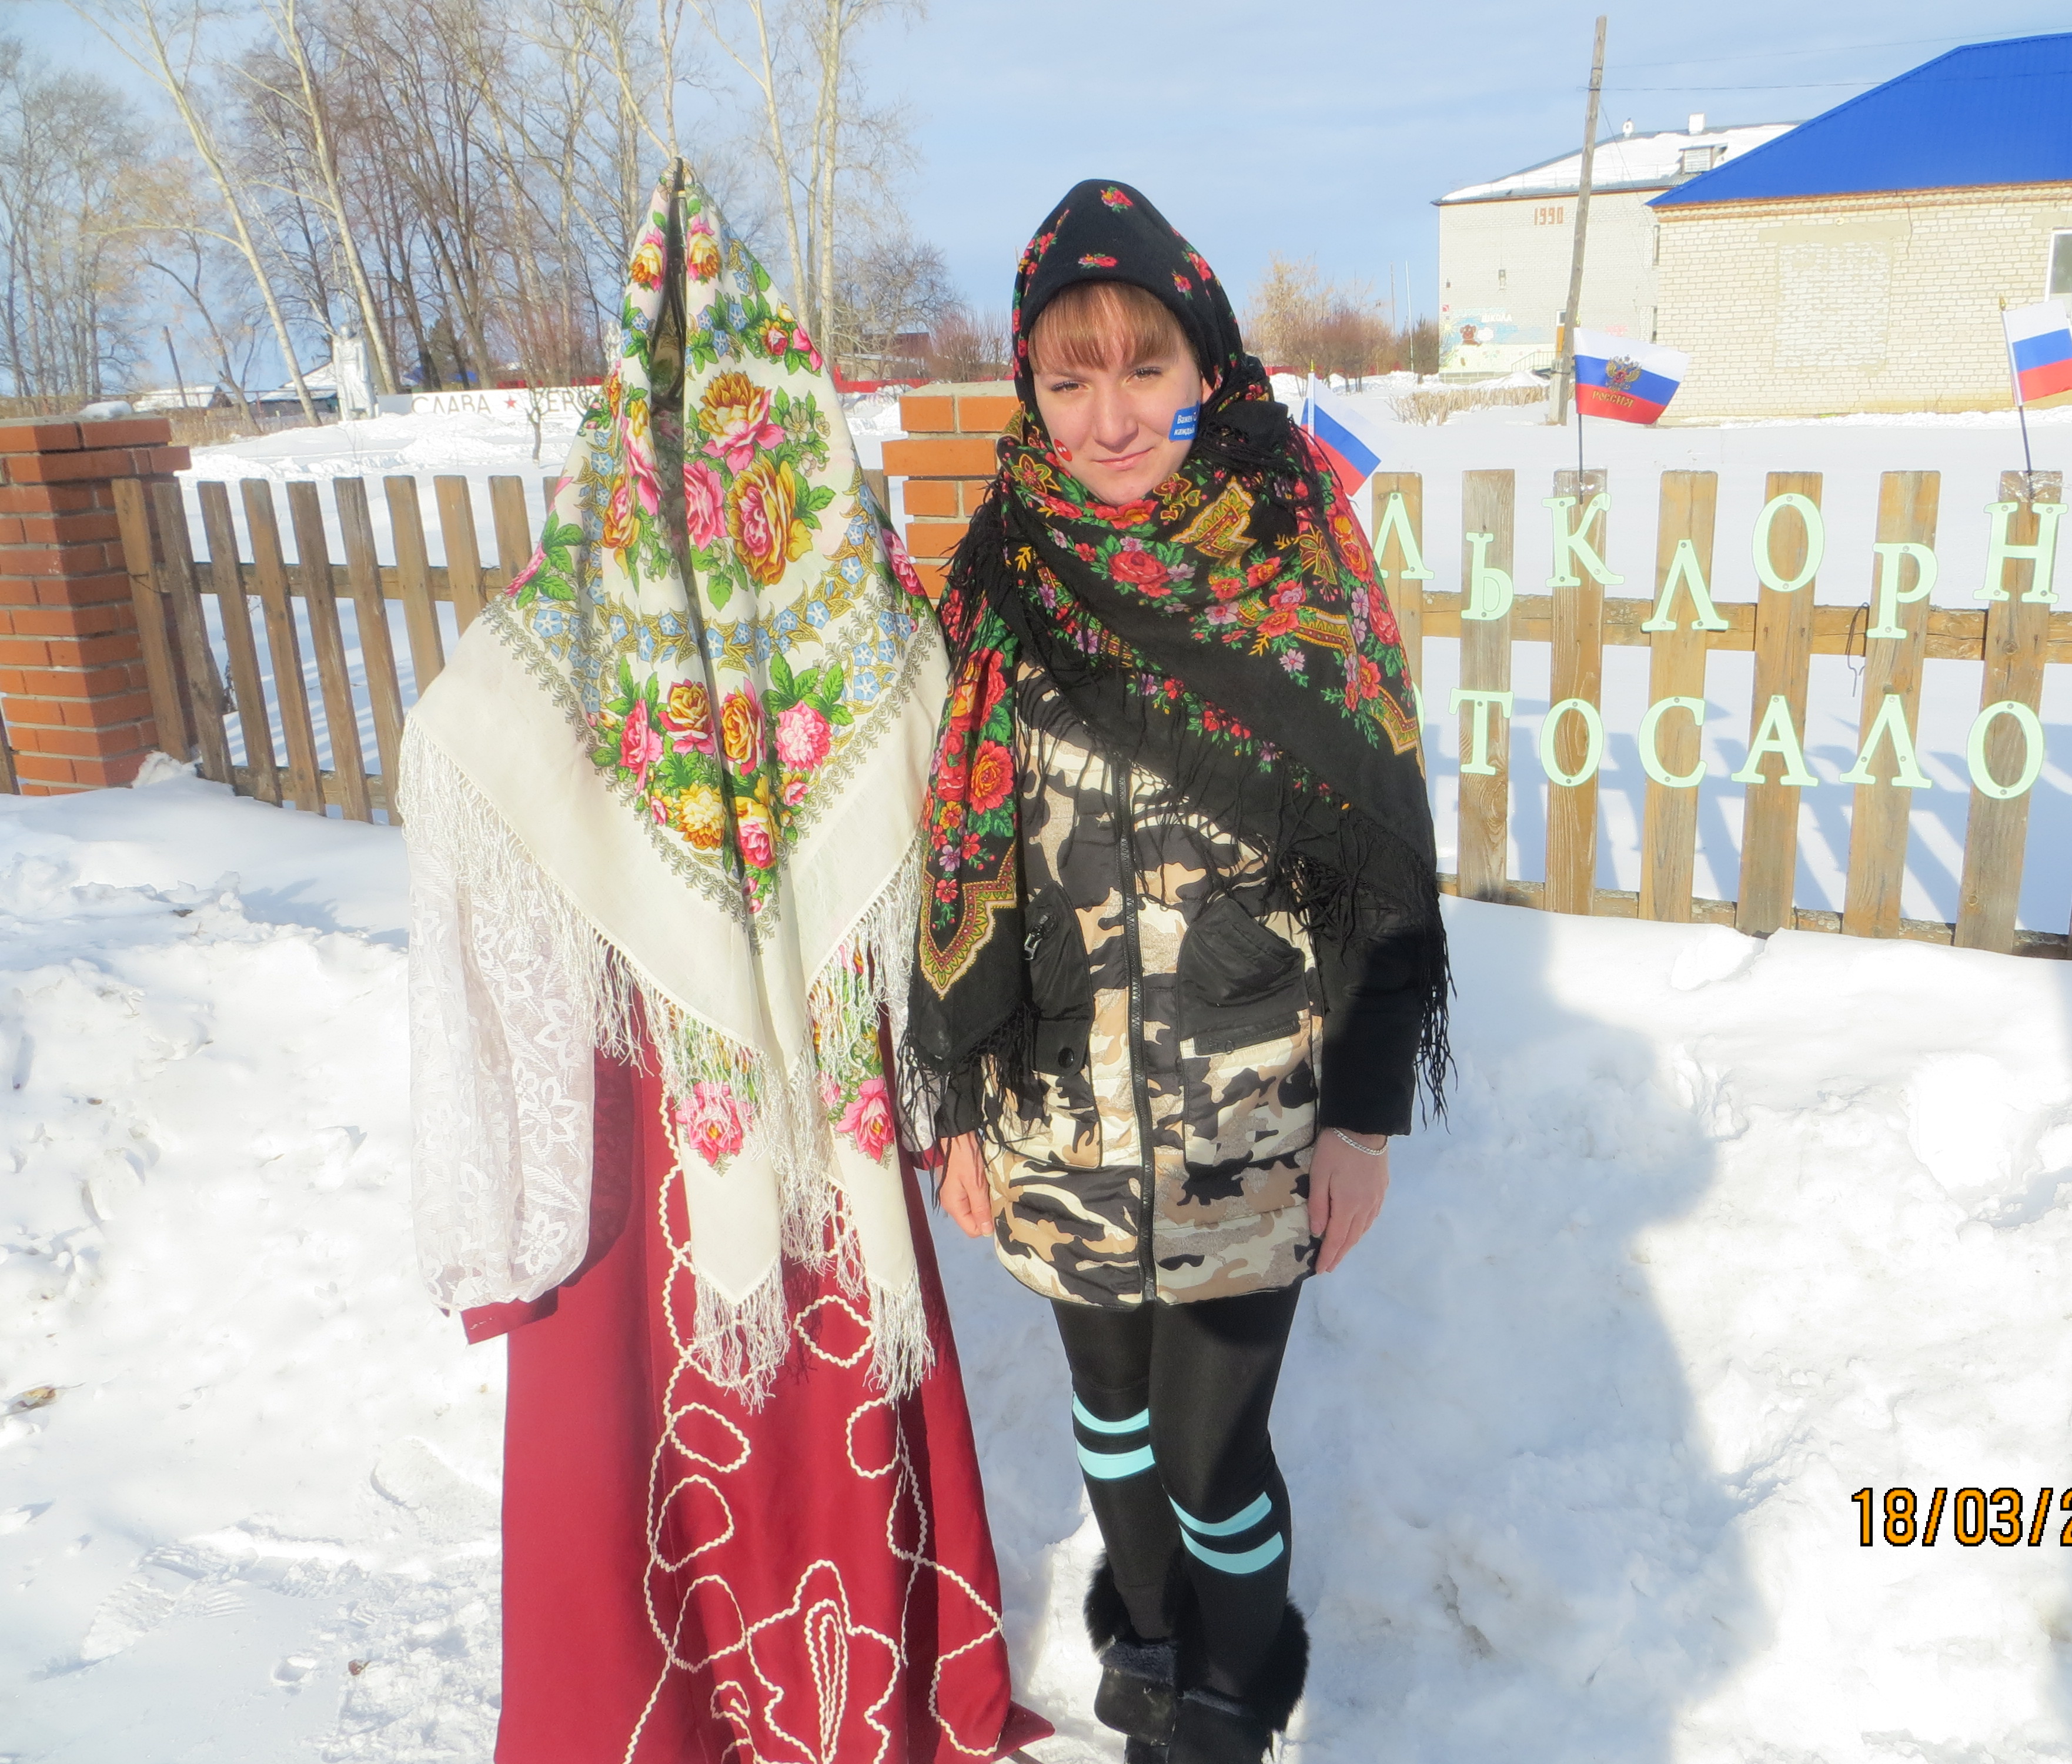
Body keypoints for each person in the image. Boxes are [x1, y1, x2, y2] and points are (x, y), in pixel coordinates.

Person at [400, 162, 1047, 1764]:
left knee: (788, 1389)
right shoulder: (603, 613)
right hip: (656, 1087)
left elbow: (937, 756)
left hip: (809, 1096)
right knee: (647, 1414)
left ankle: (818, 1695)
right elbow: (478, 742)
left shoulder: (842, 606)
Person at [906, 181, 1449, 1764]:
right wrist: (958, 1108)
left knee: (1214, 1453)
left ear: (1206, 363)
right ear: (1029, 385)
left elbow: (1382, 870)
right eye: (1070, 377)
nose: (1111, 415)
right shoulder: (997, 578)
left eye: (1144, 367)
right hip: (1057, 1114)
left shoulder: (1297, 573)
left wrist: (1361, 1122)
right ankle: (1146, 1658)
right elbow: (953, 858)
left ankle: (1235, 1694)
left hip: (1250, 1122)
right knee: (1114, 1424)